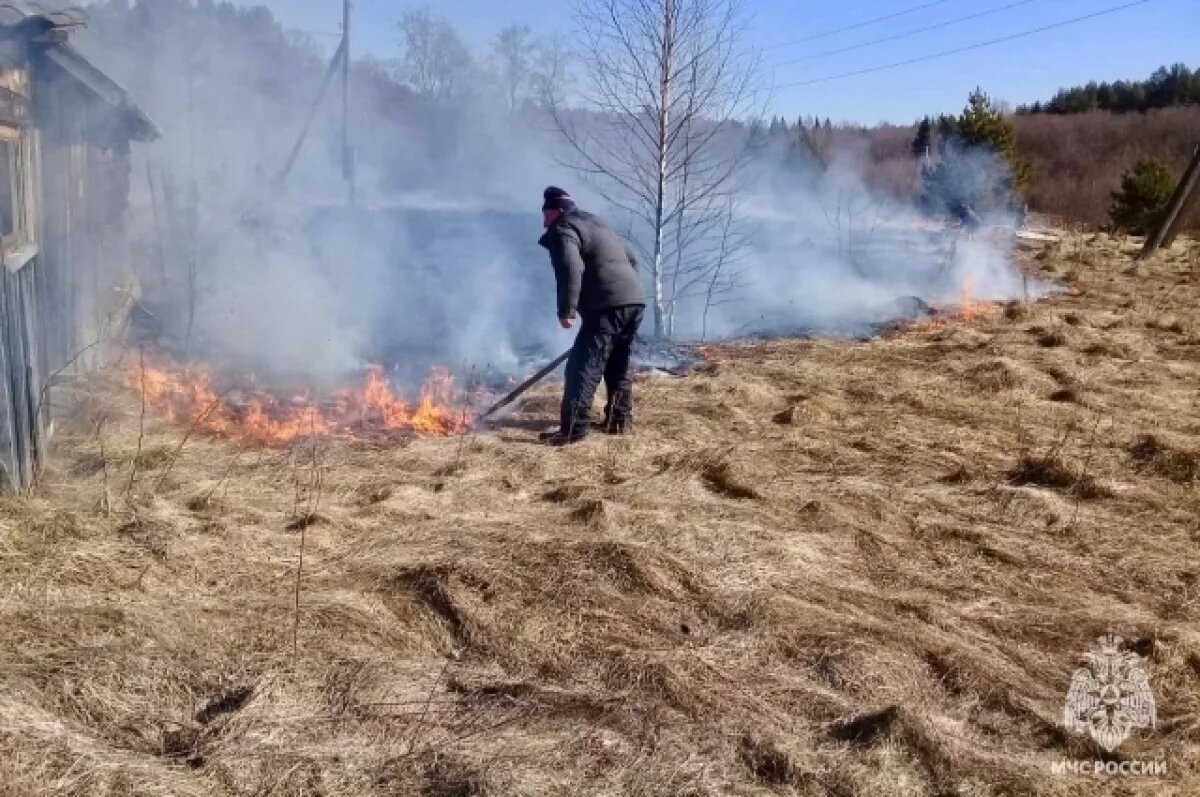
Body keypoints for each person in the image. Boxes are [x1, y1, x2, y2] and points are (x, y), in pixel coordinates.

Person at [537, 186, 645, 446]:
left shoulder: (565, 229)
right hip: (634, 301)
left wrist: (567, 309)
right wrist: (627, 293)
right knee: (616, 364)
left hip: (607, 307)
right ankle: (618, 420)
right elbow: (631, 258)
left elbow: (570, 267)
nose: (544, 220)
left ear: (556, 211)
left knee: (581, 368)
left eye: (546, 213)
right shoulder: (596, 223)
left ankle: (573, 430)